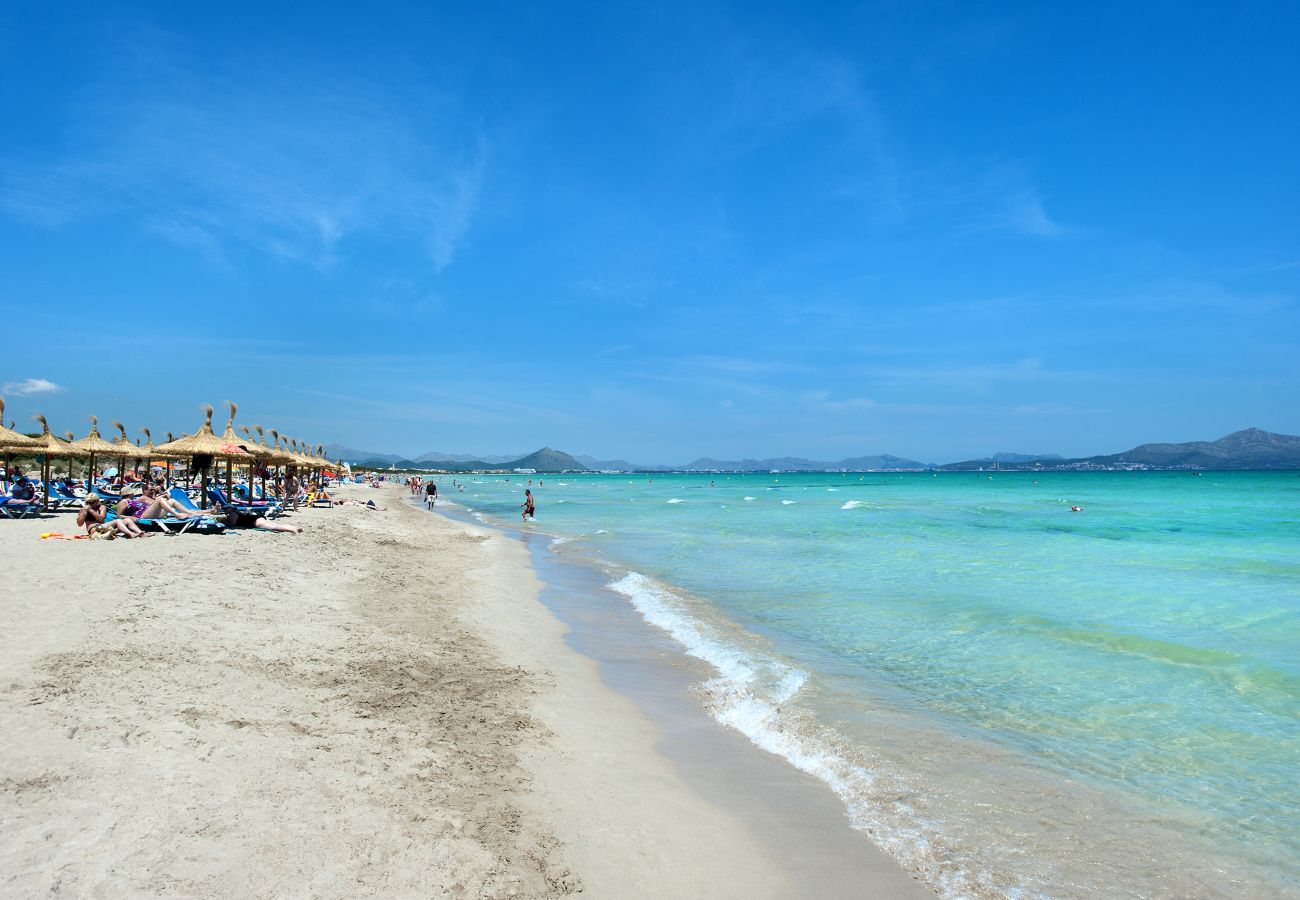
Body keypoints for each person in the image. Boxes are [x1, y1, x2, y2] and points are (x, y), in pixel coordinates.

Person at [78, 493, 147, 538]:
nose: (89, 504)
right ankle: (131, 534)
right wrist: (84, 514)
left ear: (97, 501)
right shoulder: (83, 510)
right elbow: (80, 524)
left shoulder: (101, 507)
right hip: (93, 529)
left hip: (104, 527)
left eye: (92, 502)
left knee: (127, 520)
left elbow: (101, 519)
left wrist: (92, 511)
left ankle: (140, 533)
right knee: (117, 521)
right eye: (88, 502)